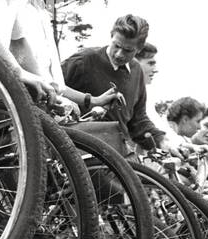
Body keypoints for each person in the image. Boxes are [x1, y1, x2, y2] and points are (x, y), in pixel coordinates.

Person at [12, 0, 117, 117]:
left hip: (45, 109)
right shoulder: (9, 3)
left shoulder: (42, 12)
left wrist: (92, 101)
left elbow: (54, 82)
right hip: (14, 108)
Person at [62, 15, 165, 153]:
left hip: (118, 155)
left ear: (139, 49)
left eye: (128, 50)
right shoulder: (82, 61)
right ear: (111, 36)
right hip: (80, 153)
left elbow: (138, 121)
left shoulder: (136, 71)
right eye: (116, 46)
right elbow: (53, 89)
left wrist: (164, 142)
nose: (119, 54)